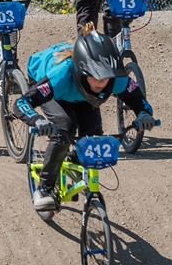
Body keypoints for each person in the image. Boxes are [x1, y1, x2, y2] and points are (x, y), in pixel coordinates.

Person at [15, 31, 154, 216]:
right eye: (95, 76)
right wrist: (37, 120)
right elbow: (21, 103)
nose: (101, 82)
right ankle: (44, 188)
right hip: (53, 86)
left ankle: (73, 160)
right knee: (65, 128)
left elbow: (140, 101)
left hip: (81, 95)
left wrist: (144, 115)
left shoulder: (117, 78)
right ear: (82, 71)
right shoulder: (59, 77)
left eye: (106, 77)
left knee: (93, 134)